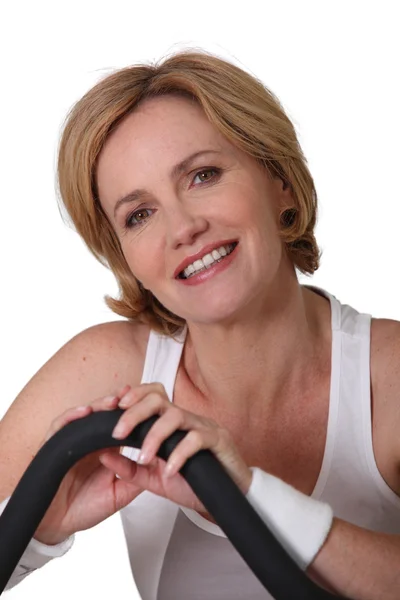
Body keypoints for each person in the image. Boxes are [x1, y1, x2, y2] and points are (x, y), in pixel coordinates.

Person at [0, 49, 399, 599]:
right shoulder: (107, 372)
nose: (183, 228)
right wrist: (38, 527)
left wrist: (246, 494)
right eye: (139, 214)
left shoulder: (391, 375)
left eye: (202, 176)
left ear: (279, 181)